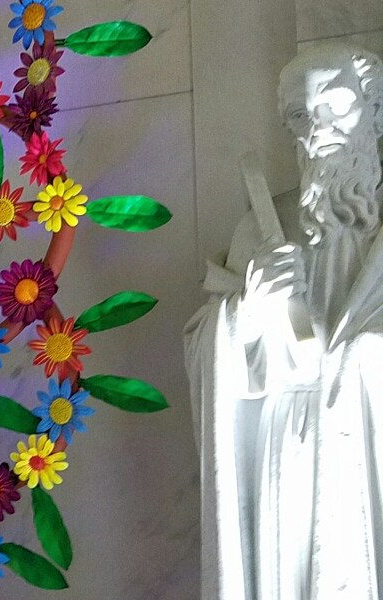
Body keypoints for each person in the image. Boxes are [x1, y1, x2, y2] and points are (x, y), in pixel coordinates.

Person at [185, 43, 383, 600]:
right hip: (290, 454)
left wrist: (364, 354)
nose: (317, 129)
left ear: (375, 109)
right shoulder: (261, 228)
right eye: (299, 115)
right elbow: (203, 347)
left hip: (371, 452)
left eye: (334, 105)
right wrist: (248, 310)